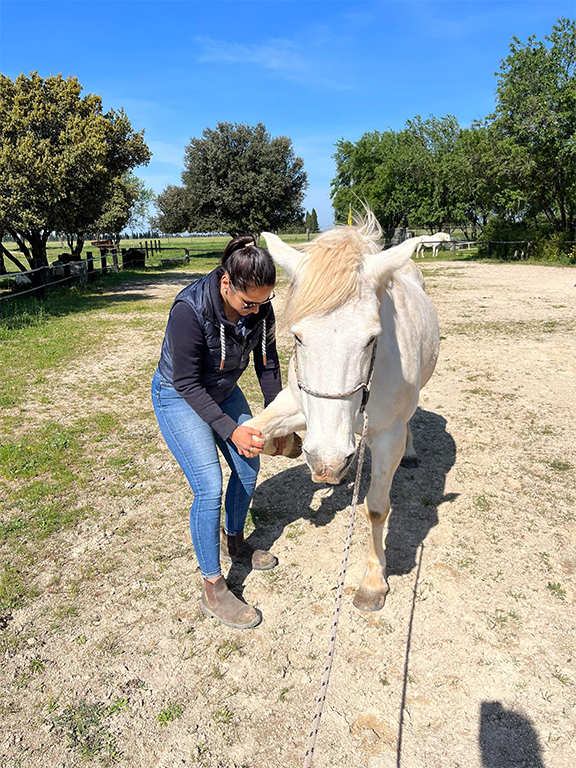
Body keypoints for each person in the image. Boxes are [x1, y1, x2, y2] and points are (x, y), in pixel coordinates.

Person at [151, 236, 285, 629]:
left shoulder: (260, 307)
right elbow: (188, 383)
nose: (256, 311)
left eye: (263, 302)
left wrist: (275, 420)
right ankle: (213, 586)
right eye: (249, 303)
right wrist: (230, 430)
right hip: (179, 394)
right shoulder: (188, 310)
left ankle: (235, 540)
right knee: (209, 486)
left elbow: (268, 364)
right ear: (226, 284)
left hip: (224, 389)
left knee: (248, 466)